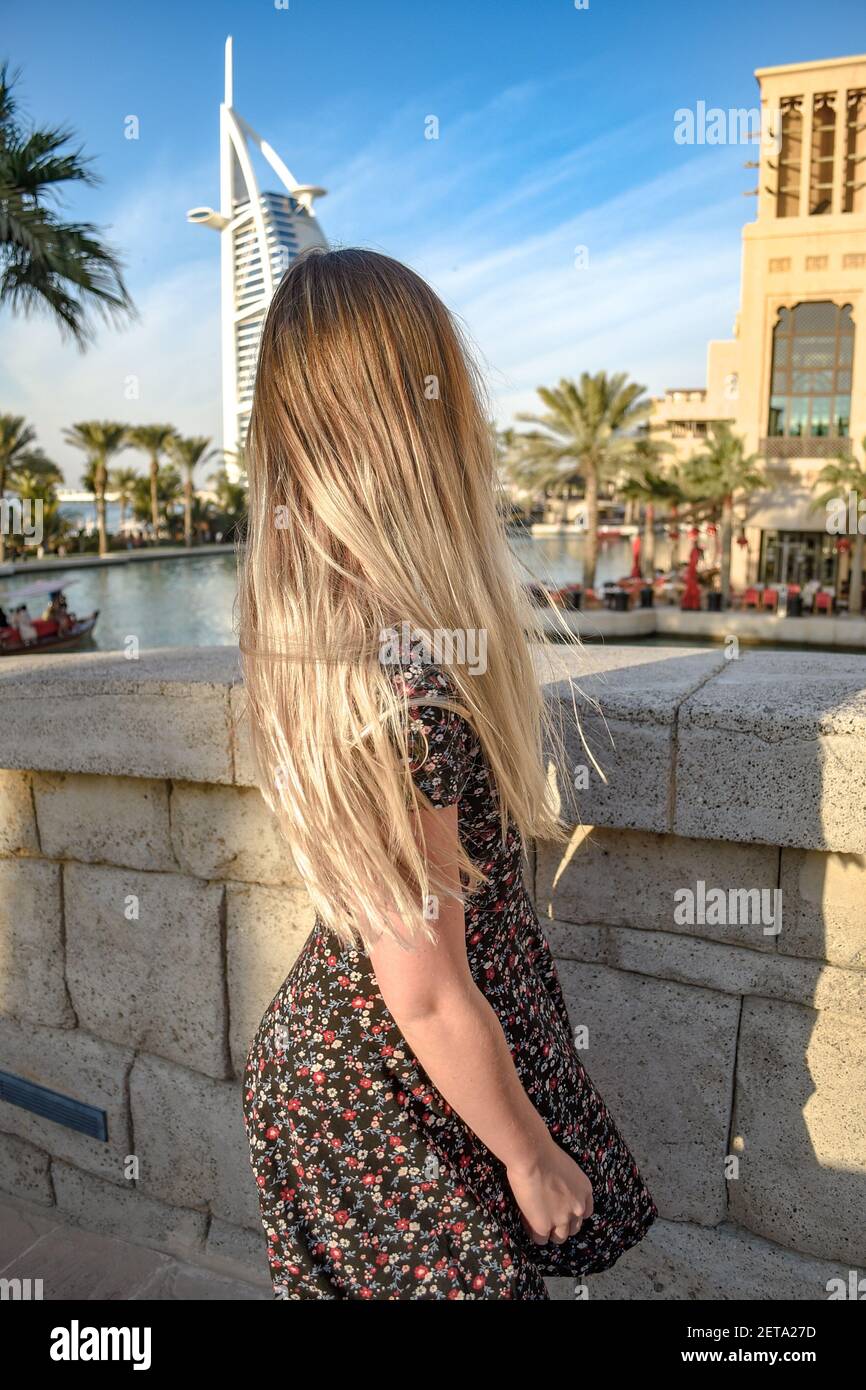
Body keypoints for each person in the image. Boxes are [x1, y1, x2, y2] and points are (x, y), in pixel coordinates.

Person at [239, 248, 657, 1301]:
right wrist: (528, 1154)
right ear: (418, 425)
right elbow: (423, 989)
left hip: (344, 1076)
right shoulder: (411, 687)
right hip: (385, 1097)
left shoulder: (325, 643)